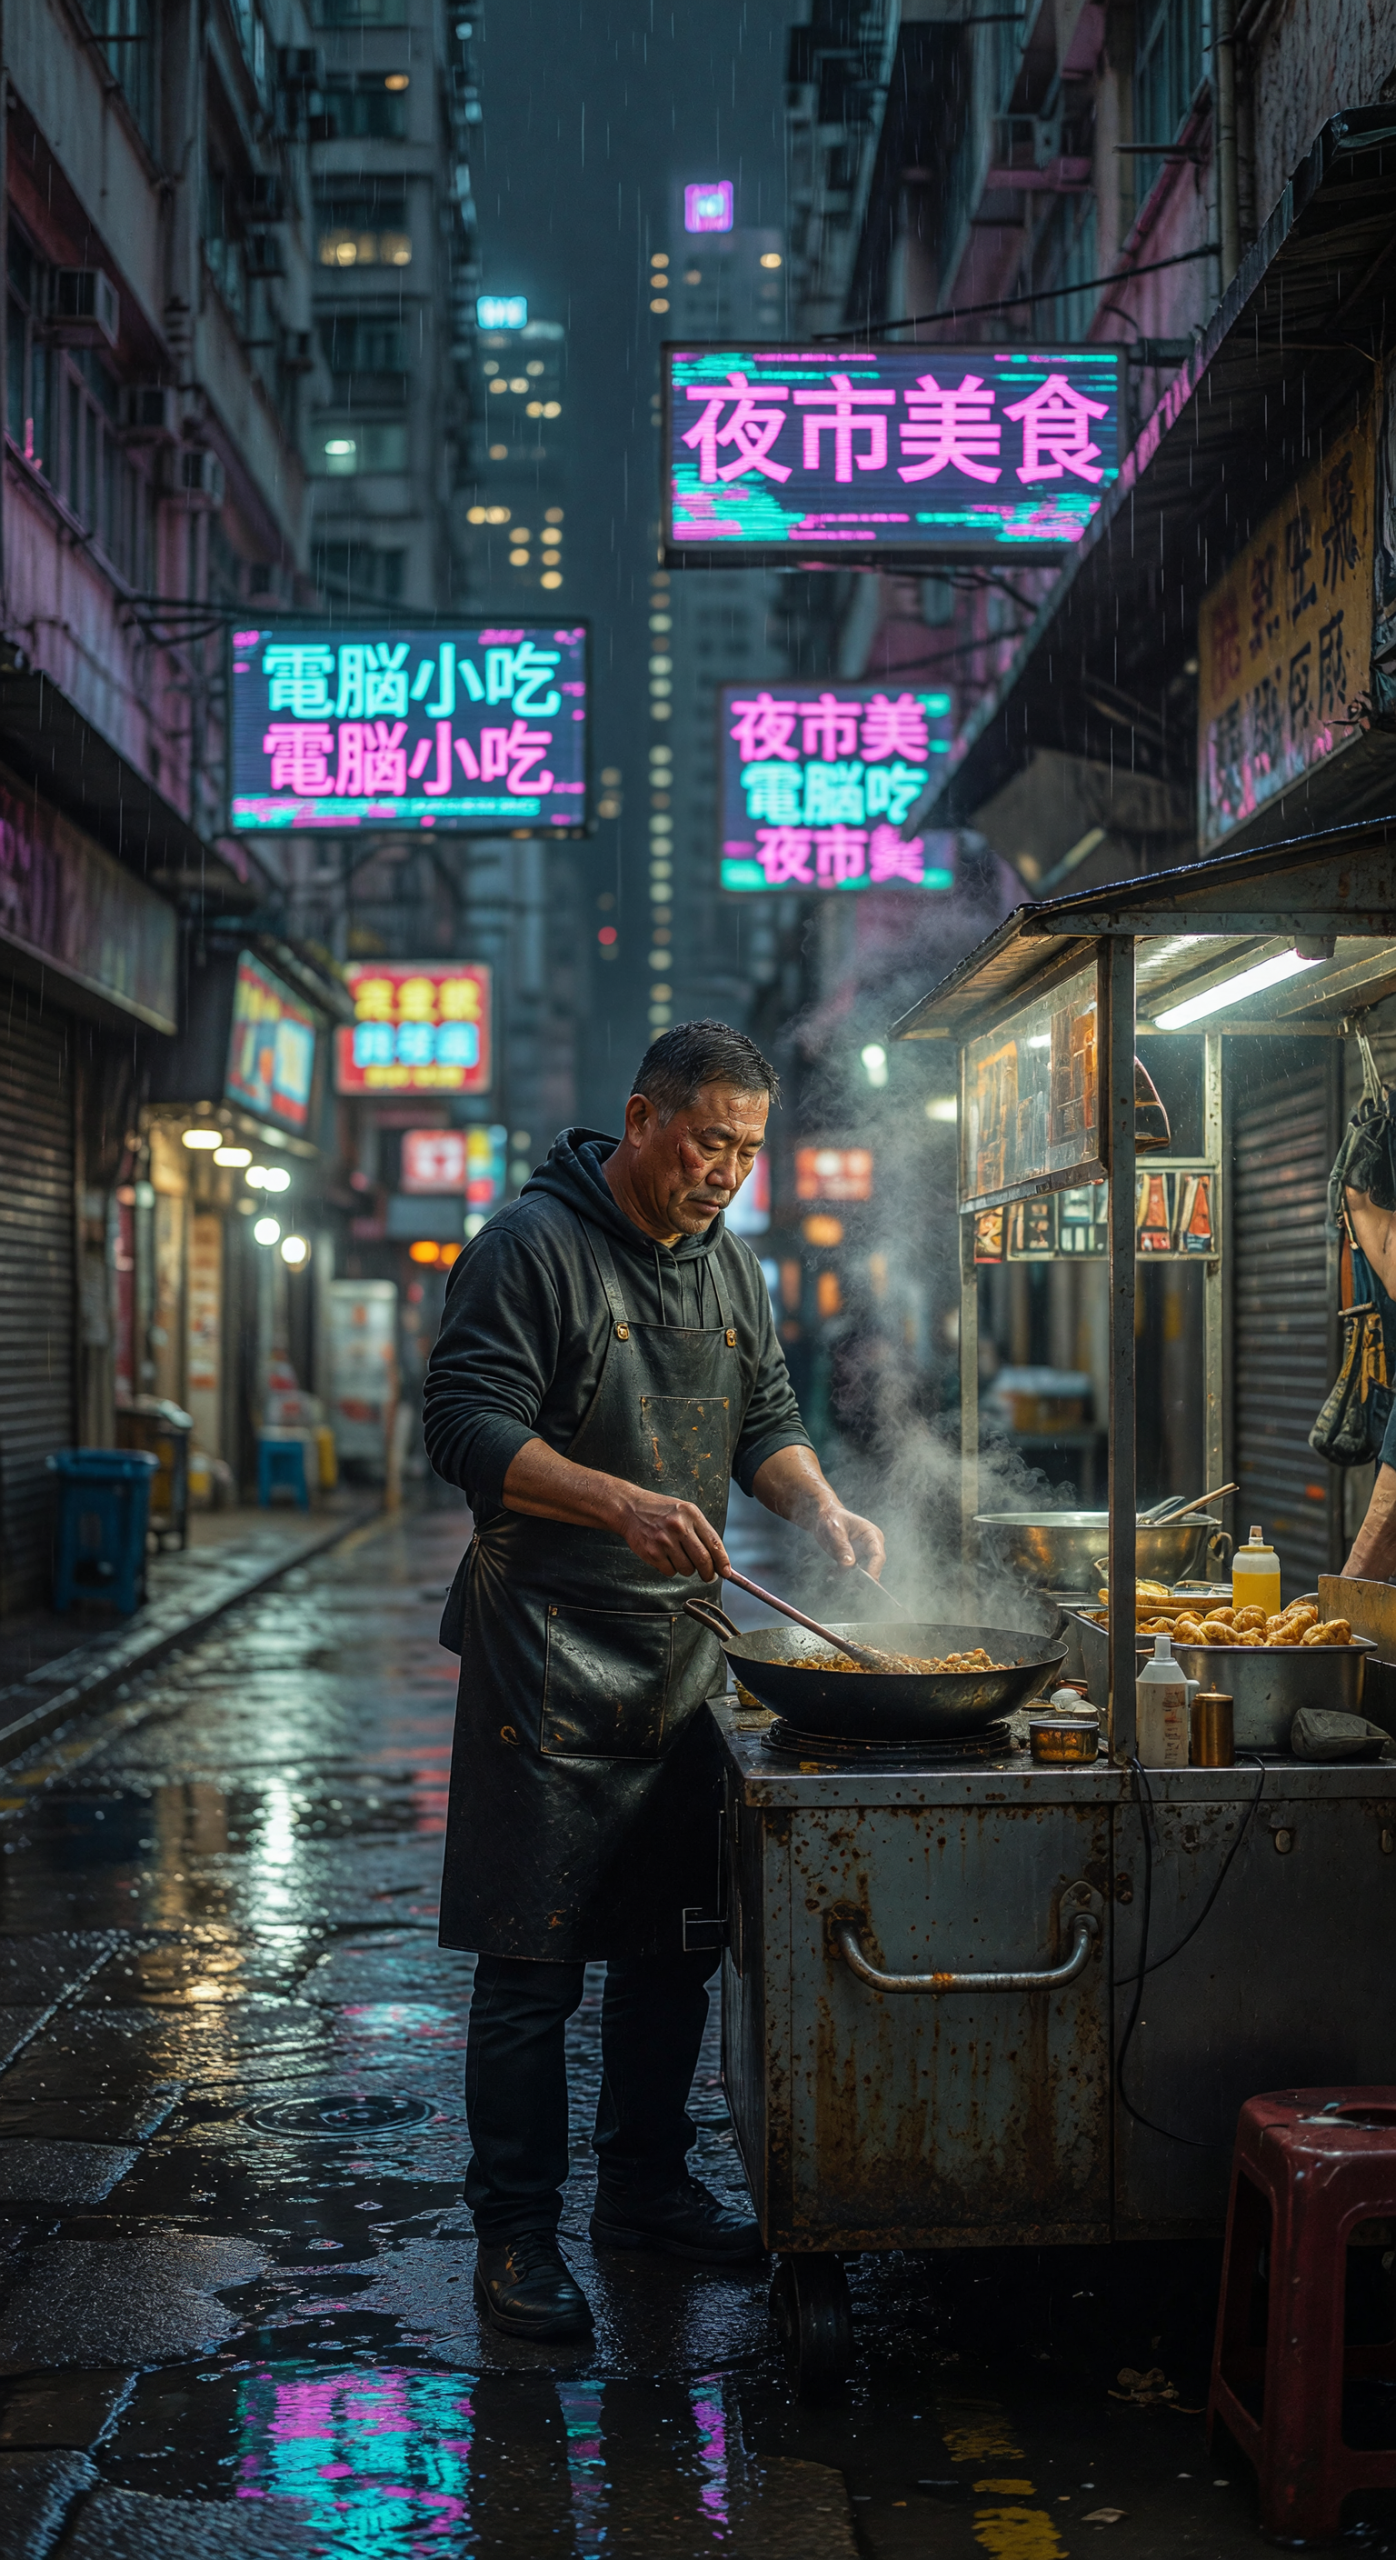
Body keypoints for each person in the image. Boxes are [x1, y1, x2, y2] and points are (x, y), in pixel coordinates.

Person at [423, 1021, 885, 2341]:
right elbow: (463, 1426)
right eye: (708, 1142)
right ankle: (515, 2234)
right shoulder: (531, 1246)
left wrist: (822, 1507)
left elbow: (767, 1423)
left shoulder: (736, 1269)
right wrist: (618, 1500)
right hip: (546, 1653)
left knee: (672, 1953)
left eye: (748, 1147)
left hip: (680, 1656)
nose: (728, 1171)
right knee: (532, 1964)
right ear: (640, 1120)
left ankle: (643, 2194)